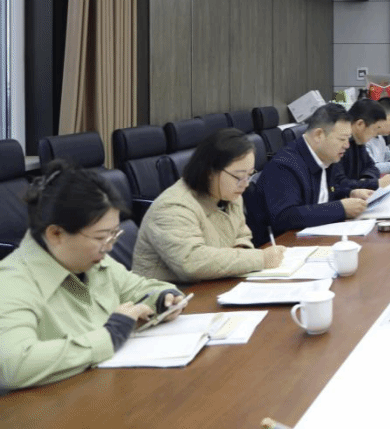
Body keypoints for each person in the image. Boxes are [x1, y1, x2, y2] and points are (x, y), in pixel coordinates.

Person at [0, 163, 185, 390]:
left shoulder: (90, 260)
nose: (109, 246)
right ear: (56, 234)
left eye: (114, 234)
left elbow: (138, 287)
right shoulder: (12, 282)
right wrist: (109, 336)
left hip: (107, 387)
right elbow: (14, 364)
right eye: (100, 237)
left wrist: (162, 298)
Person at [132, 128, 285, 283]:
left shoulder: (231, 195)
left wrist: (239, 257)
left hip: (215, 283)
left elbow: (242, 236)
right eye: (239, 176)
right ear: (210, 172)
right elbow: (191, 262)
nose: (245, 184)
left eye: (249, 175)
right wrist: (260, 259)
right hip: (171, 294)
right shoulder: (172, 207)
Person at [251, 103, 377, 238]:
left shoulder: (327, 157)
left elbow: (329, 191)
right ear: (318, 135)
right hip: (284, 244)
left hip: (316, 237)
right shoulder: (284, 166)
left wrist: (351, 193)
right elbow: (285, 216)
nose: (347, 145)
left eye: (348, 139)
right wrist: (341, 208)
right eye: (342, 139)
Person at [337, 99, 390, 191]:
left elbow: (371, 167)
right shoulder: (339, 145)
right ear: (360, 124)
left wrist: (366, 181)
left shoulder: (358, 142)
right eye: (375, 129)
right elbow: (340, 184)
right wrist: (374, 183)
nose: (375, 134)